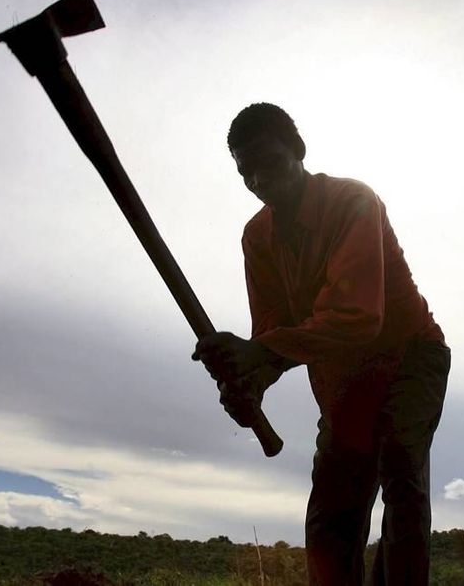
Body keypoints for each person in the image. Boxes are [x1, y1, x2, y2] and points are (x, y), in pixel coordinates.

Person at [192, 103, 450, 585]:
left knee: (401, 468)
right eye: (245, 171)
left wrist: (261, 354)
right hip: (343, 376)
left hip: (410, 356)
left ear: (299, 151)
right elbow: (274, 335)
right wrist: (251, 385)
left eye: (269, 163)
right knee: (333, 508)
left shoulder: (354, 201)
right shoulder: (257, 238)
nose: (258, 180)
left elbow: (357, 318)